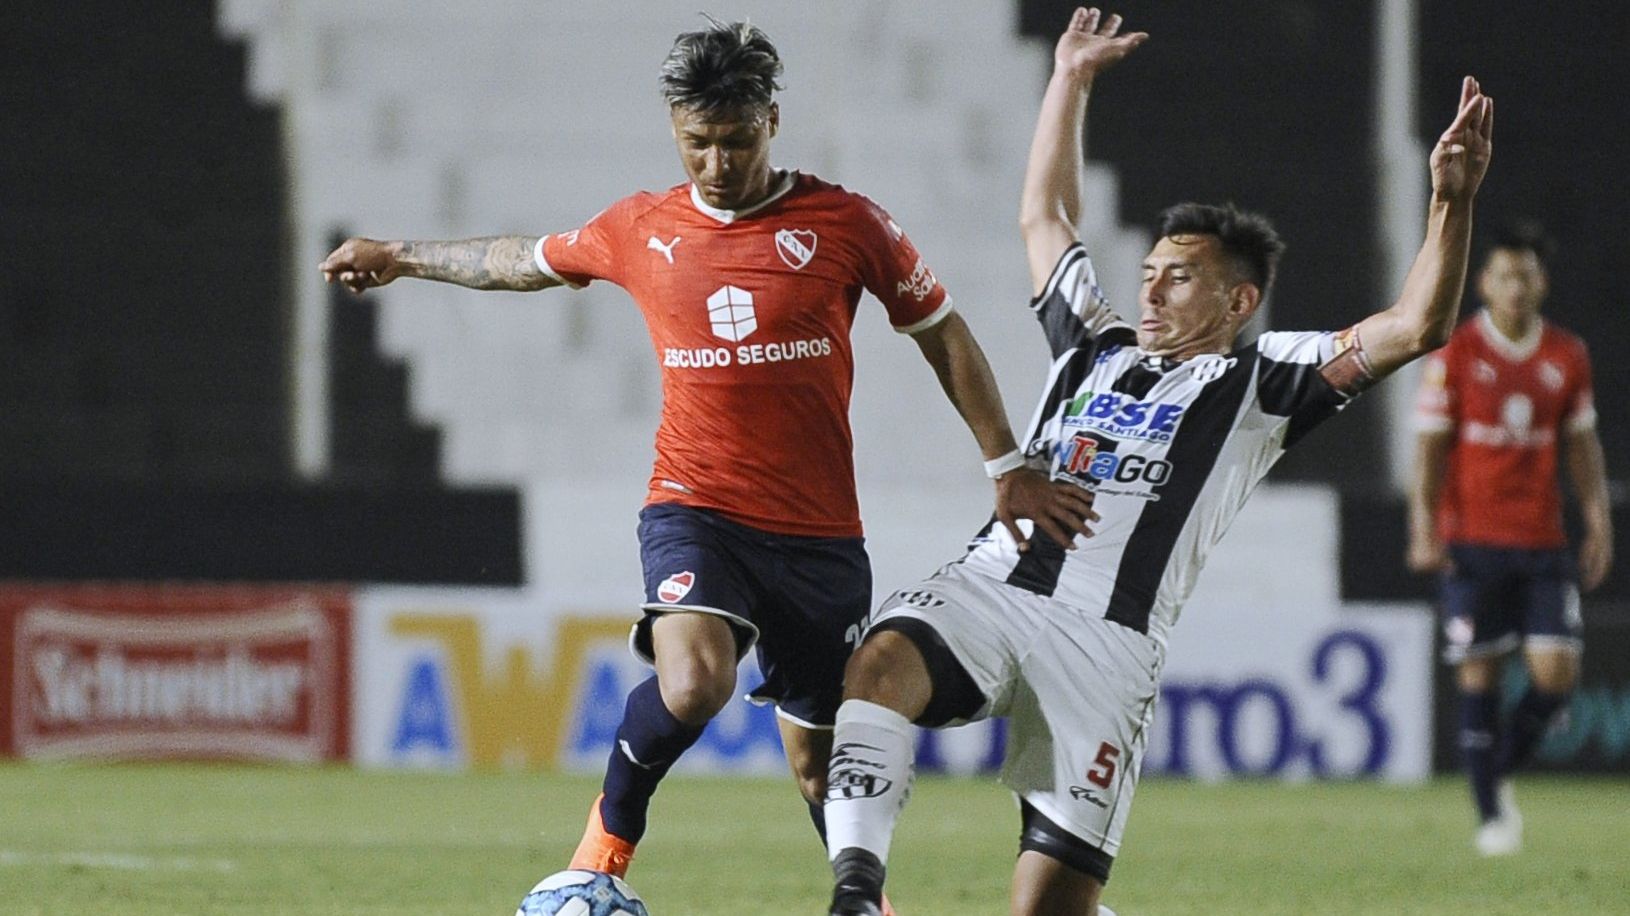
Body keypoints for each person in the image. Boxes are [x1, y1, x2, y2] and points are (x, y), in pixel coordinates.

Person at [319, 15, 1094, 902]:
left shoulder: (846, 224)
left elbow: (941, 334)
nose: (717, 164)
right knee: (693, 684)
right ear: (673, 129)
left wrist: (1007, 466)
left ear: (770, 119)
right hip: (697, 508)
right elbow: (515, 263)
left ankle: (865, 898)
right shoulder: (640, 228)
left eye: (734, 141)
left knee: (819, 767)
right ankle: (597, 861)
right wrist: (401, 257)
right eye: (698, 144)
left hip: (819, 537)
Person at [821, 8, 1494, 915]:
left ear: (1239, 299)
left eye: (1180, 274)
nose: (1150, 282)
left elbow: (1417, 326)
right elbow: (1045, 215)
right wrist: (1069, 79)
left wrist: (1451, 200)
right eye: (1151, 268)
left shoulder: (1261, 381)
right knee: (880, 664)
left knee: (1049, 907)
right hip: (995, 589)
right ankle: (857, 895)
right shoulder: (1089, 345)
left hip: (1105, 645)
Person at [1406, 223, 1613, 856]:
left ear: (1540, 282)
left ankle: (1493, 772)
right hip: (1473, 543)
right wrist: (1423, 525)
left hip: (1541, 542)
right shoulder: (1458, 352)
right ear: (1483, 283)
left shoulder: (1566, 356)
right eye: (1503, 276)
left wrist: (1598, 518)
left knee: (1555, 681)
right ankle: (1491, 812)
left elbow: (1581, 447)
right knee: (1480, 678)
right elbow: (1430, 451)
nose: (1515, 287)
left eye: (1526, 275)